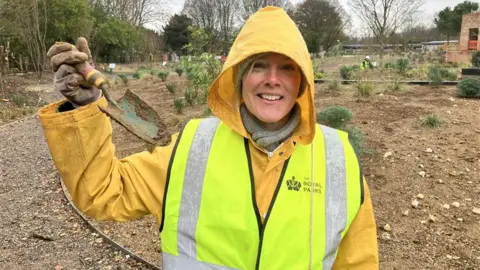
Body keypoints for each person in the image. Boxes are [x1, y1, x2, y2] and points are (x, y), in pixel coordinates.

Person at [40, 6, 378, 270]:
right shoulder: (190, 149)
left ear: (303, 81)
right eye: (259, 66)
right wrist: (84, 108)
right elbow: (101, 193)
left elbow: (357, 261)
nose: (273, 80)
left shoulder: (338, 158)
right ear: (239, 78)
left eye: (287, 67)